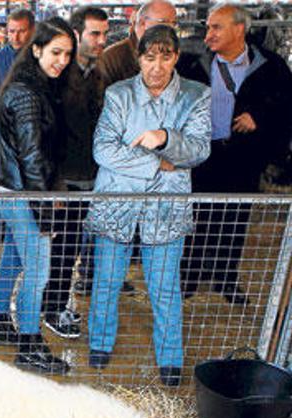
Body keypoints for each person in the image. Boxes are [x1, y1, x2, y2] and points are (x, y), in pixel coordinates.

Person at [86, 25, 211, 387]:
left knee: (164, 285)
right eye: (149, 57)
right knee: (107, 279)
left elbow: (199, 150)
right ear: (139, 57)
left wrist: (165, 138)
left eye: (165, 57)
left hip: (166, 208)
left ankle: (170, 359)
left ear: (176, 57)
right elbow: (102, 149)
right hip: (117, 203)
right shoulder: (119, 94)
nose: (156, 67)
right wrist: (159, 161)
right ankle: (99, 344)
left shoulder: (195, 96)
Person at [179, 3, 292, 306]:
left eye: (217, 27)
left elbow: (286, 106)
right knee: (196, 217)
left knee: (235, 218)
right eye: (208, 27)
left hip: (243, 157)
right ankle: (188, 277)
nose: (208, 34)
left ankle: (225, 278)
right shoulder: (193, 63)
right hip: (202, 156)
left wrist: (260, 116)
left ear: (239, 29)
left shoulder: (270, 66)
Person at [0, 17, 76, 375]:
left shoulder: (34, 85)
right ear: (36, 49)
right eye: (55, 52)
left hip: (12, 188)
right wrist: (47, 213)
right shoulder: (26, 93)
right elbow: (33, 157)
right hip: (24, 193)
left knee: (14, 259)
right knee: (38, 271)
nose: (62, 60)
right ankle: (29, 345)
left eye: (67, 54)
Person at [40, 7, 109, 339]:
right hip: (65, 180)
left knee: (70, 246)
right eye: (95, 34)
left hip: (86, 176)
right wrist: (53, 184)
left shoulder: (93, 74)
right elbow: (47, 134)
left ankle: (54, 304)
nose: (102, 40)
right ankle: (50, 309)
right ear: (77, 34)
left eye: (105, 34)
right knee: (62, 247)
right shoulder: (60, 78)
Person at [0, 8, 34, 248]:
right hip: (1, 129)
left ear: (32, 31)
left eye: (21, 31)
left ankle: (29, 222)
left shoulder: (40, 58)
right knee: (0, 176)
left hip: (33, 130)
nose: (16, 37)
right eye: (11, 31)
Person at [99, 0, 178, 86]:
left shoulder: (176, 55)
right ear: (142, 23)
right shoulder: (110, 59)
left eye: (174, 23)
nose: (171, 28)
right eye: (164, 22)